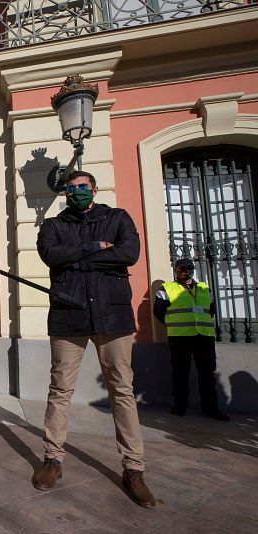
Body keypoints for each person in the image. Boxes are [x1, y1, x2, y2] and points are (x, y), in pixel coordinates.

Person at [33, 171, 156, 508]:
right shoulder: (53, 225)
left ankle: (133, 468)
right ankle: (52, 459)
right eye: (71, 189)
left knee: (122, 390)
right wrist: (92, 248)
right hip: (68, 314)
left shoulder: (117, 218)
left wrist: (77, 259)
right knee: (60, 389)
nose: (76, 193)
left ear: (94, 189)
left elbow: (128, 253)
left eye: (82, 187)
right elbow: (51, 256)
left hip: (112, 315)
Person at [154, 258, 229, 421]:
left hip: (204, 336)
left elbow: (211, 310)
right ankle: (180, 406)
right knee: (181, 372)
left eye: (188, 268)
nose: (185, 271)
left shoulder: (204, 287)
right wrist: (174, 324)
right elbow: (159, 312)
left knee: (207, 373)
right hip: (180, 336)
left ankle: (211, 408)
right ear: (175, 270)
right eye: (182, 268)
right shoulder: (166, 288)